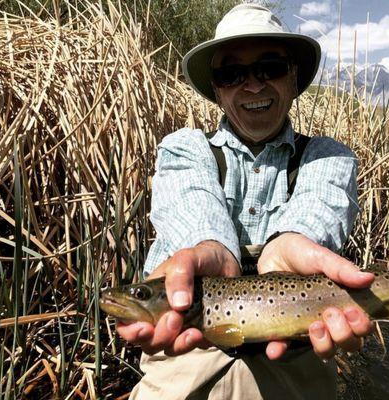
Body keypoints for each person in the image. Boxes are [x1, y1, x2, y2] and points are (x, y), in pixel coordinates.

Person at [117, 4, 374, 399]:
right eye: (232, 74)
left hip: (292, 364)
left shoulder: (329, 157)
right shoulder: (184, 149)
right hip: (187, 359)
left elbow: (319, 209)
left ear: (293, 78)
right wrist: (211, 248)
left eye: (269, 68)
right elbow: (193, 202)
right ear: (218, 89)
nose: (252, 85)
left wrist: (291, 243)